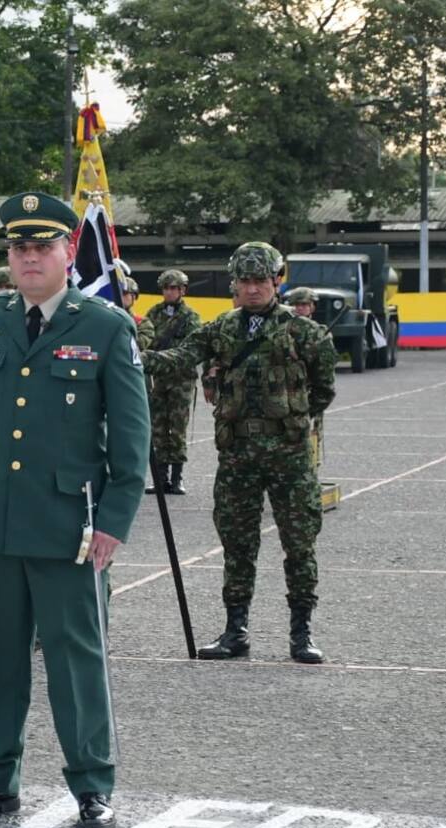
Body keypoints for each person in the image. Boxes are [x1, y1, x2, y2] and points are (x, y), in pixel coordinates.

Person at [0, 191, 150, 828]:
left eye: (43, 247)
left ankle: (92, 785)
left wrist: (114, 521)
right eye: (19, 248)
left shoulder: (105, 325)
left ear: (68, 252)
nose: (30, 258)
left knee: (74, 659)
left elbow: (132, 435)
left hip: (72, 529)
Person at [143, 242, 337, 664]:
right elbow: (183, 357)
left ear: (276, 281)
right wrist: (138, 358)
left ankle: (301, 633)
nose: (252, 290)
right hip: (237, 455)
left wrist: (292, 421)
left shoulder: (304, 332)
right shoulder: (221, 329)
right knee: (236, 543)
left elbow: (323, 388)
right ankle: (236, 631)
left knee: (300, 543)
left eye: (260, 281)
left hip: (289, 454)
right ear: (235, 284)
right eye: (245, 282)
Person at [145, 269, 201, 495]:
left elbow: (193, 345)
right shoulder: (154, 313)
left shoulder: (190, 316)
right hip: (159, 378)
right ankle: (160, 479)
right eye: (166, 288)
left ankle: (176, 479)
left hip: (180, 378)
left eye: (174, 288)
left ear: (182, 290)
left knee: (177, 428)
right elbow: (147, 338)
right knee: (158, 427)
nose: (169, 292)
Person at [120, 276, 155, 350]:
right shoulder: (105, 318)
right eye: (118, 292)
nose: (120, 296)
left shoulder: (142, 323)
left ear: (134, 296)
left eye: (124, 293)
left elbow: (139, 345)